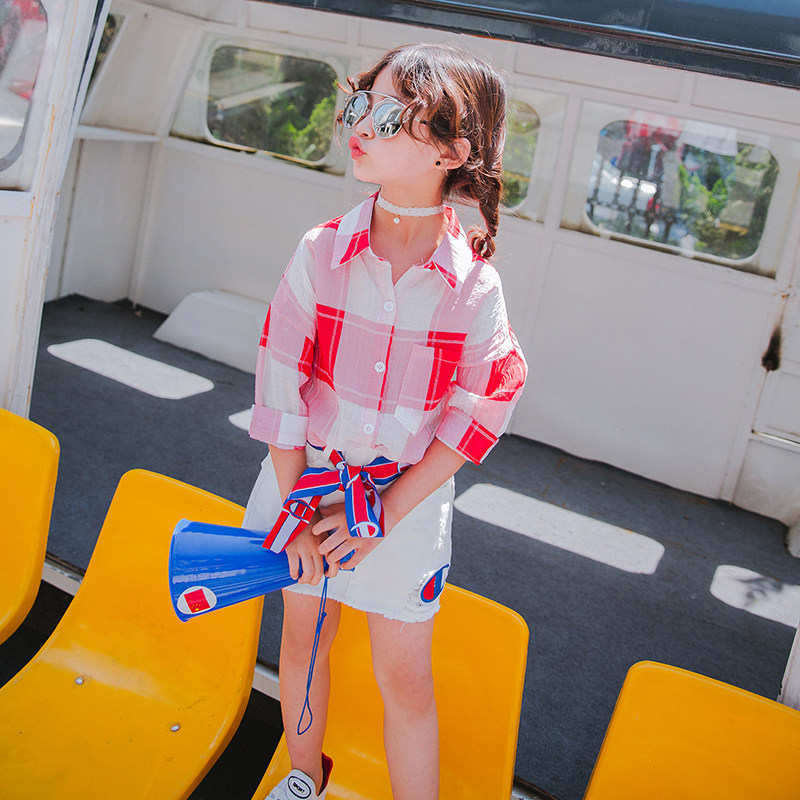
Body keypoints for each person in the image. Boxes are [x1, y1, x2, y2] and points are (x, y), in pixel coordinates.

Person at [243, 42, 527, 800]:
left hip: (405, 509)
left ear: (452, 152)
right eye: (361, 103)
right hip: (303, 488)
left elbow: (483, 409)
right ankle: (303, 779)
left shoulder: (475, 290)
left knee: (404, 679)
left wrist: (386, 514)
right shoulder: (318, 253)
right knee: (302, 643)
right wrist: (296, 514)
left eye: (392, 114)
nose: (360, 124)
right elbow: (279, 386)